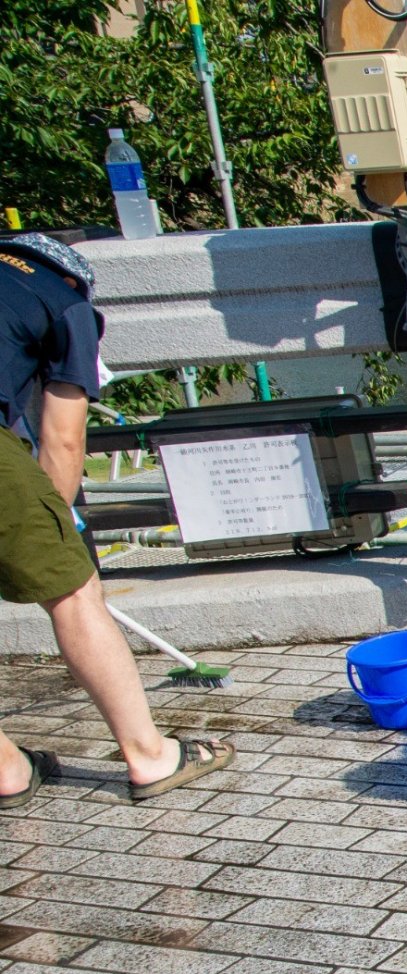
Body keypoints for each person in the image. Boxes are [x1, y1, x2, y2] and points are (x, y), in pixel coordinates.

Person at [0, 233, 232, 806]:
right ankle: (150, 755)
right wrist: (57, 526)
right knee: (76, 596)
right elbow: (62, 434)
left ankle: (6, 768)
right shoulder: (66, 301)